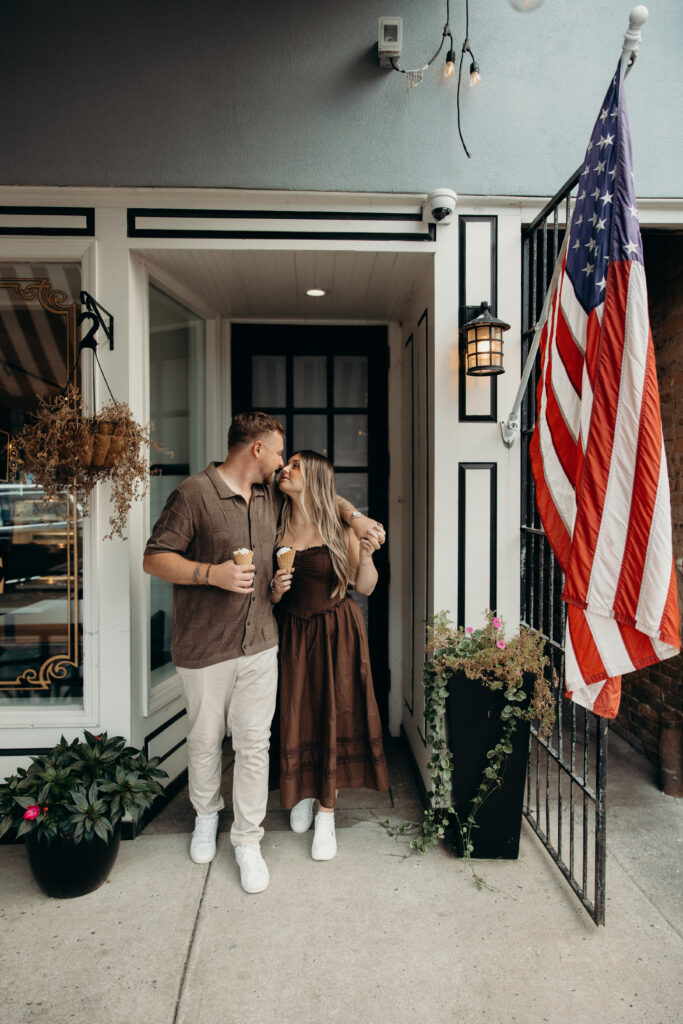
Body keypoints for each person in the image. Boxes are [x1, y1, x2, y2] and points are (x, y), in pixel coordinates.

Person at [142, 412, 384, 894]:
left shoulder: (270, 496)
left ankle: (248, 839)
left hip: (261, 642)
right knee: (207, 739)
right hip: (205, 645)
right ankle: (207, 816)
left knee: (255, 745)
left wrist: (355, 517)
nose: (282, 462)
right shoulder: (194, 494)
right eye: (279, 452)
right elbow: (154, 557)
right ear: (257, 449)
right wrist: (212, 574)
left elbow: (322, 495)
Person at [271, 450, 390, 860]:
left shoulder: (338, 529)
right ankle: (305, 790)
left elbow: (367, 586)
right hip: (290, 631)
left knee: (334, 715)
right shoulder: (275, 519)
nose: (284, 469)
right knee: (298, 712)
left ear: (315, 477)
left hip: (336, 631)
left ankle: (326, 812)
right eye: (285, 464)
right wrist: (274, 589)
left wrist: (368, 551)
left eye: (295, 466)